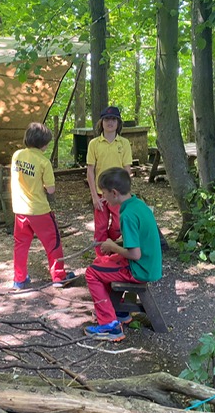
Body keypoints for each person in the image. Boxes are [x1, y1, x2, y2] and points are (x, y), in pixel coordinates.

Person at [84, 167, 163, 341]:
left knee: (91, 272)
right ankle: (119, 310)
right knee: (104, 261)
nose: (102, 197)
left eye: (103, 193)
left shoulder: (127, 215)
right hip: (150, 265)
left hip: (140, 269)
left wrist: (112, 246)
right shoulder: (137, 204)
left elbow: (135, 254)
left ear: (114, 193)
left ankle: (109, 326)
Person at [10, 122, 76, 289]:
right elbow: (51, 189)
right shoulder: (43, 161)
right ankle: (58, 276)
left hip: (19, 209)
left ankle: (19, 279)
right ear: (45, 143)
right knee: (53, 242)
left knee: (21, 245)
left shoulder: (17, 155)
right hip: (39, 210)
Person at [86, 106, 133, 256]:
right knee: (100, 227)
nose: (110, 122)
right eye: (107, 119)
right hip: (101, 194)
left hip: (118, 194)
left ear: (118, 123)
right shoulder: (94, 143)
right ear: (101, 122)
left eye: (114, 119)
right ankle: (101, 259)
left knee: (120, 224)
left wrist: (126, 194)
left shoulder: (124, 143)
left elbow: (127, 170)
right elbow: (90, 171)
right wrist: (94, 196)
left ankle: (108, 245)